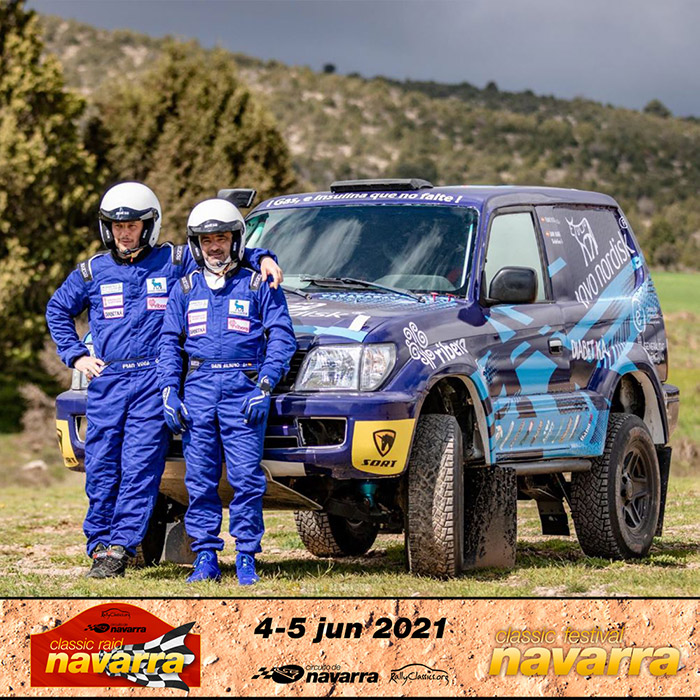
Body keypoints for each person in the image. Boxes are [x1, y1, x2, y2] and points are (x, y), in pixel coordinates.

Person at [46, 182, 282, 579]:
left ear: (148, 226)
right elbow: (57, 309)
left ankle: (120, 548)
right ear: (107, 228)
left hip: (153, 380)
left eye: (132, 226)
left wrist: (264, 257)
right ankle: (98, 543)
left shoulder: (173, 261)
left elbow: (220, 249)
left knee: (140, 467)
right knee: (101, 466)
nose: (125, 233)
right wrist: (76, 355)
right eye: (117, 226)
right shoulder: (91, 271)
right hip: (108, 380)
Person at [158, 198, 296, 585]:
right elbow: (169, 343)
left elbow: (281, 337)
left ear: (236, 240)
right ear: (196, 244)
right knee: (200, 479)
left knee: (246, 478)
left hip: (243, 390)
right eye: (206, 240)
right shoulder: (185, 288)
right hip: (198, 390)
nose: (214, 247)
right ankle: (205, 556)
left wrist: (265, 383)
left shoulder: (258, 284)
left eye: (221, 238)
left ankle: (247, 556)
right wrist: (169, 389)